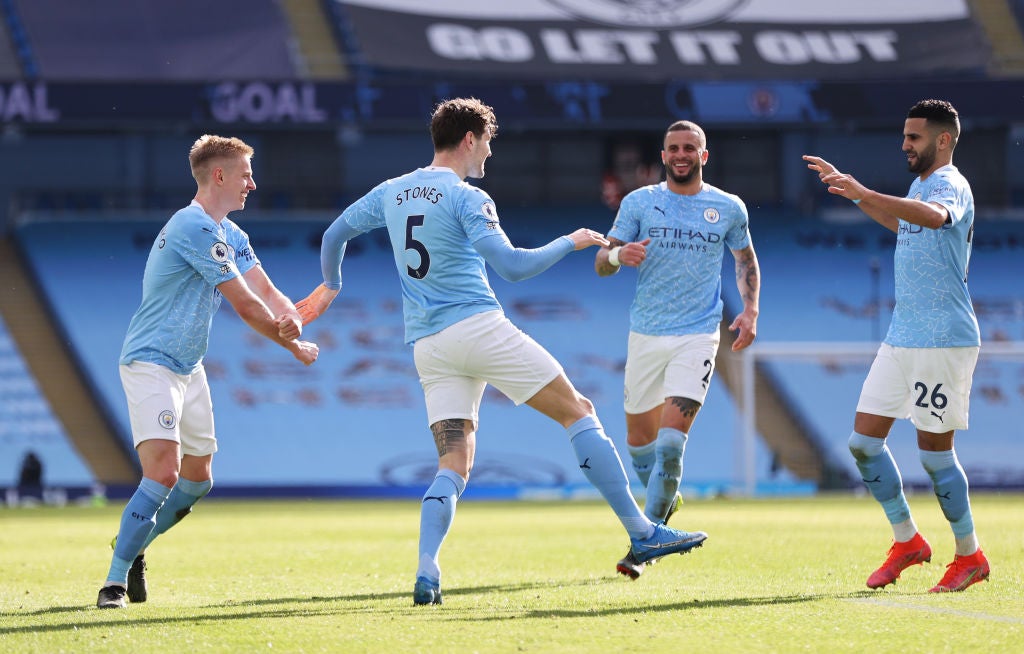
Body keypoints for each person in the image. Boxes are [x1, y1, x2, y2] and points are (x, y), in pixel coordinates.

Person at [296, 97, 708, 605]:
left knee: (454, 462)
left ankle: (428, 568)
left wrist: (330, 286)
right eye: (488, 141)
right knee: (578, 411)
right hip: (476, 327)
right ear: (469, 139)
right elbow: (512, 267)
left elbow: (335, 233)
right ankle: (642, 533)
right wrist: (570, 242)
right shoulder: (470, 198)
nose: (489, 153)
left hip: (428, 345)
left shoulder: (392, 192)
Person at [96, 135, 319, 609]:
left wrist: (294, 316)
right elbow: (246, 305)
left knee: (198, 479)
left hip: (189, 367)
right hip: (152, 361)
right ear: (219, 175)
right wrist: (291, 344)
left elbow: (269, 292)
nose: (252, 185)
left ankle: (132, 545)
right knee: (163, 470)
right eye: (245, 175)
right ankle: (113, 584)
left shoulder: (233, 236)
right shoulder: (192, 228)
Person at [803, 99, 989, 593]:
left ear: (943, 140)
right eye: (905, 136)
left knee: (934, 454)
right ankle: (908, 542)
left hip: (941, 338)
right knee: (863, 443)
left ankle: (970, 555)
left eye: (914, 137)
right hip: (903, 334)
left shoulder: (949, 183)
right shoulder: (920, 185)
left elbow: (933, 218)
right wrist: (856, 196)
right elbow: (907, 223)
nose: (905, 144)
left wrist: (866, 190)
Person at [594, 120, 760, 580]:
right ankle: (663, 508)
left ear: (704, 156)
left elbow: (745, 259)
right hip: (646, 336)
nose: (682, 154)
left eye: (690, 148)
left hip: (698, 335)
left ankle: (639, 549)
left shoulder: (727, 207)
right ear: (663, 155)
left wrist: (750, 310)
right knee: (640, 449)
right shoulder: (639, 203)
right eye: (674, 148)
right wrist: (616, 256)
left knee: (670, 445)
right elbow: (600, 262)